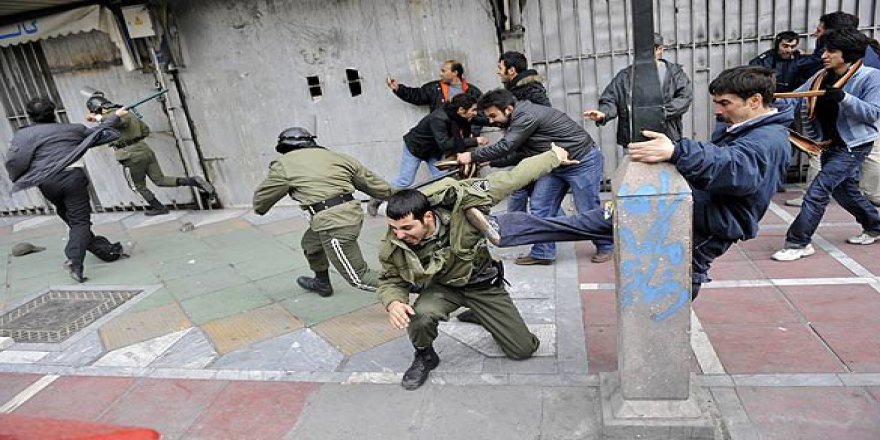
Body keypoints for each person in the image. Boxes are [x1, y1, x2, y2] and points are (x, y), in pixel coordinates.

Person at [467, 66, 793, 299]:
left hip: (713, 224)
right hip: (684, 207)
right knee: (594, 219)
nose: (718, 111)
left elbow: (735, 170)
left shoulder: (769, 139)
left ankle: (660, 342)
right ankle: (506, 228)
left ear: (755, 101)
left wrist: (679, 151)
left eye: (726, 104)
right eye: (717, 102)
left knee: (673, 285)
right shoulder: (745, 127)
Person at [379, 146, 575, 390]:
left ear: (428, 217)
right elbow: (390, 279)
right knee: (420, 316)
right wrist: (394, 302)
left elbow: (515, 177)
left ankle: (481, 313)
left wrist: (554, 156)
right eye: (394, 228)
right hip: (444, 287)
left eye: (407, 228)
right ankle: (425, 355)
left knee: (523, 349)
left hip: (482, 284)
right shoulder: (393, 243)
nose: (399, 234)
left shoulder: (466, 202)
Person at [457, 88, 613, 264]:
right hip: (556, 164)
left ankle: (606, 245)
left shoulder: (525, 116)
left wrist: (472, 156)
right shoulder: (517, 118)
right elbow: (523, 153)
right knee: (541, 206)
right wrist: (490, 162)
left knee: (588, 208)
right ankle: (543, 252)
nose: (492, 121)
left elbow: (507, 146)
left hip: (582, 161)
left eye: (493, 115)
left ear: (508, 109)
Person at [772, 29, 880, 261]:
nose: (824, 54)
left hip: (854, 146)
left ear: (847, 54)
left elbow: (873, 113)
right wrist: (766, 103)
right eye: (824, 49)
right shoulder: (822, 75)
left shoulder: (871, 77)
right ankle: (875, 225)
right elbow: (795, 97)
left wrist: (844, 98)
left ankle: (798, 242)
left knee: (818, 191)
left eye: (831, 50)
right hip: (830, 145)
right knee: (845, 192)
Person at [253, 127, 397, 296]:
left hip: (333, 223)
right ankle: (322, 283)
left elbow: (262, 200)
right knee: (311, 244)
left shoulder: (283, 164)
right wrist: (400, 196)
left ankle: (415, 288)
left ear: (284, 148)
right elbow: (376, 186)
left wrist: (260, 207)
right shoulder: (339, 158)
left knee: (359, 276)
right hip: (349, 214)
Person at [5, 98, 130, 282]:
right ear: (53, 112)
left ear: (30, 116)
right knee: (80, 222)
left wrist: (19, 177)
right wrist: (115, 117)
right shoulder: (73, 130)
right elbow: (97, 134)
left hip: (46, 183)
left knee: (71, 218)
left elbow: (14, 161)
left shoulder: (23, 135)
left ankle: (104, 250)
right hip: (72, 179)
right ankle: (74, 260)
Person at [86, 94, 215, 216]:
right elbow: (145, 130)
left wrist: (99, 118)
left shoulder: (116, 114)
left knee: (138, 186)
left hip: (129, 154)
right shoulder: (127, 112)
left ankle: (158, 208)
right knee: (160, 180)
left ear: (99, 109)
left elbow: (119, 122)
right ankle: (193, 181)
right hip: (144, 149)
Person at [367, 94, 488, 215]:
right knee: (405, 181)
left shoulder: (458, 116)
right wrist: (475, 140)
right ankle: (377, 197)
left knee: (441, 177)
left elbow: (481, 119)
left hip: (433, 151)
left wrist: (498, 121)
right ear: (461, 109)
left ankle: (446, 204)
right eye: (473, 110)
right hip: (416, 148)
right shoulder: (439, 118)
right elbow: (445, 144)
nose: (475, 113)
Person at [584, 33, 693, 162]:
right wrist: (604, 113)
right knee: (635, 179)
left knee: (666, 178)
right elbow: (611, 97)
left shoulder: (675, 74)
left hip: (666, 140)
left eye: (648, 50)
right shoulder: (625, 76)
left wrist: (659, 113)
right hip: (634, 140)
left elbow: (684, 98)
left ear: (660, 50)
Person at [386, 60, 482, 112]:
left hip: (463, 138)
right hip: (441, 137)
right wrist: (398, 89)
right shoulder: (435, 88)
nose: (441, 74)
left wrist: (472, 132)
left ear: (455, 73)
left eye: (444, 71)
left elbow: (481, 112)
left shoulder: (472, 91)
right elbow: (417, 96)